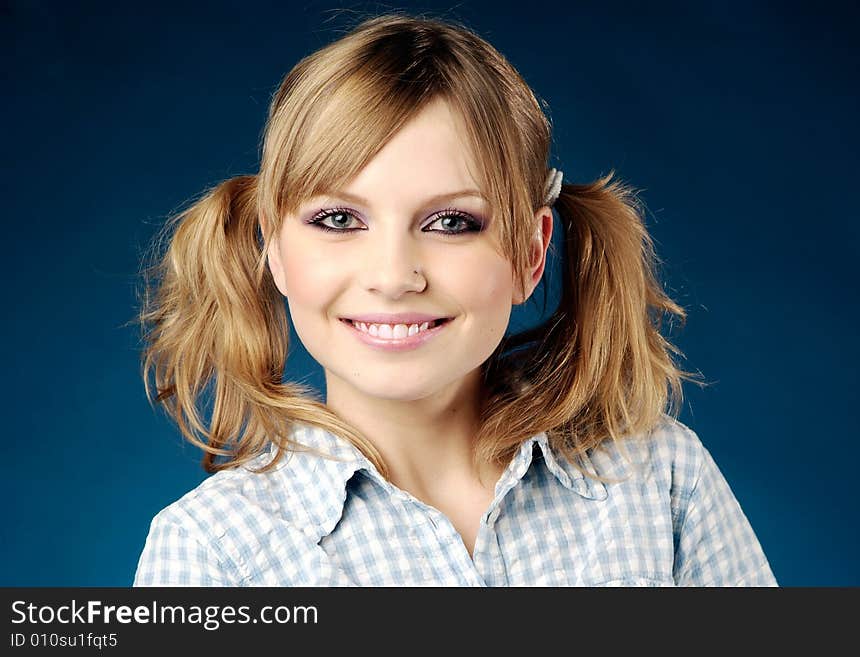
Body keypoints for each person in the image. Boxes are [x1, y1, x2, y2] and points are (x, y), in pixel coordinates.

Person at [133, 12, 776, 587]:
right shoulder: (213, 555)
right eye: (336, 219)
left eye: (450, 223)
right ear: (274, 246)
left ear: (529, 253)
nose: (393, 276)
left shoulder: (660, 477)